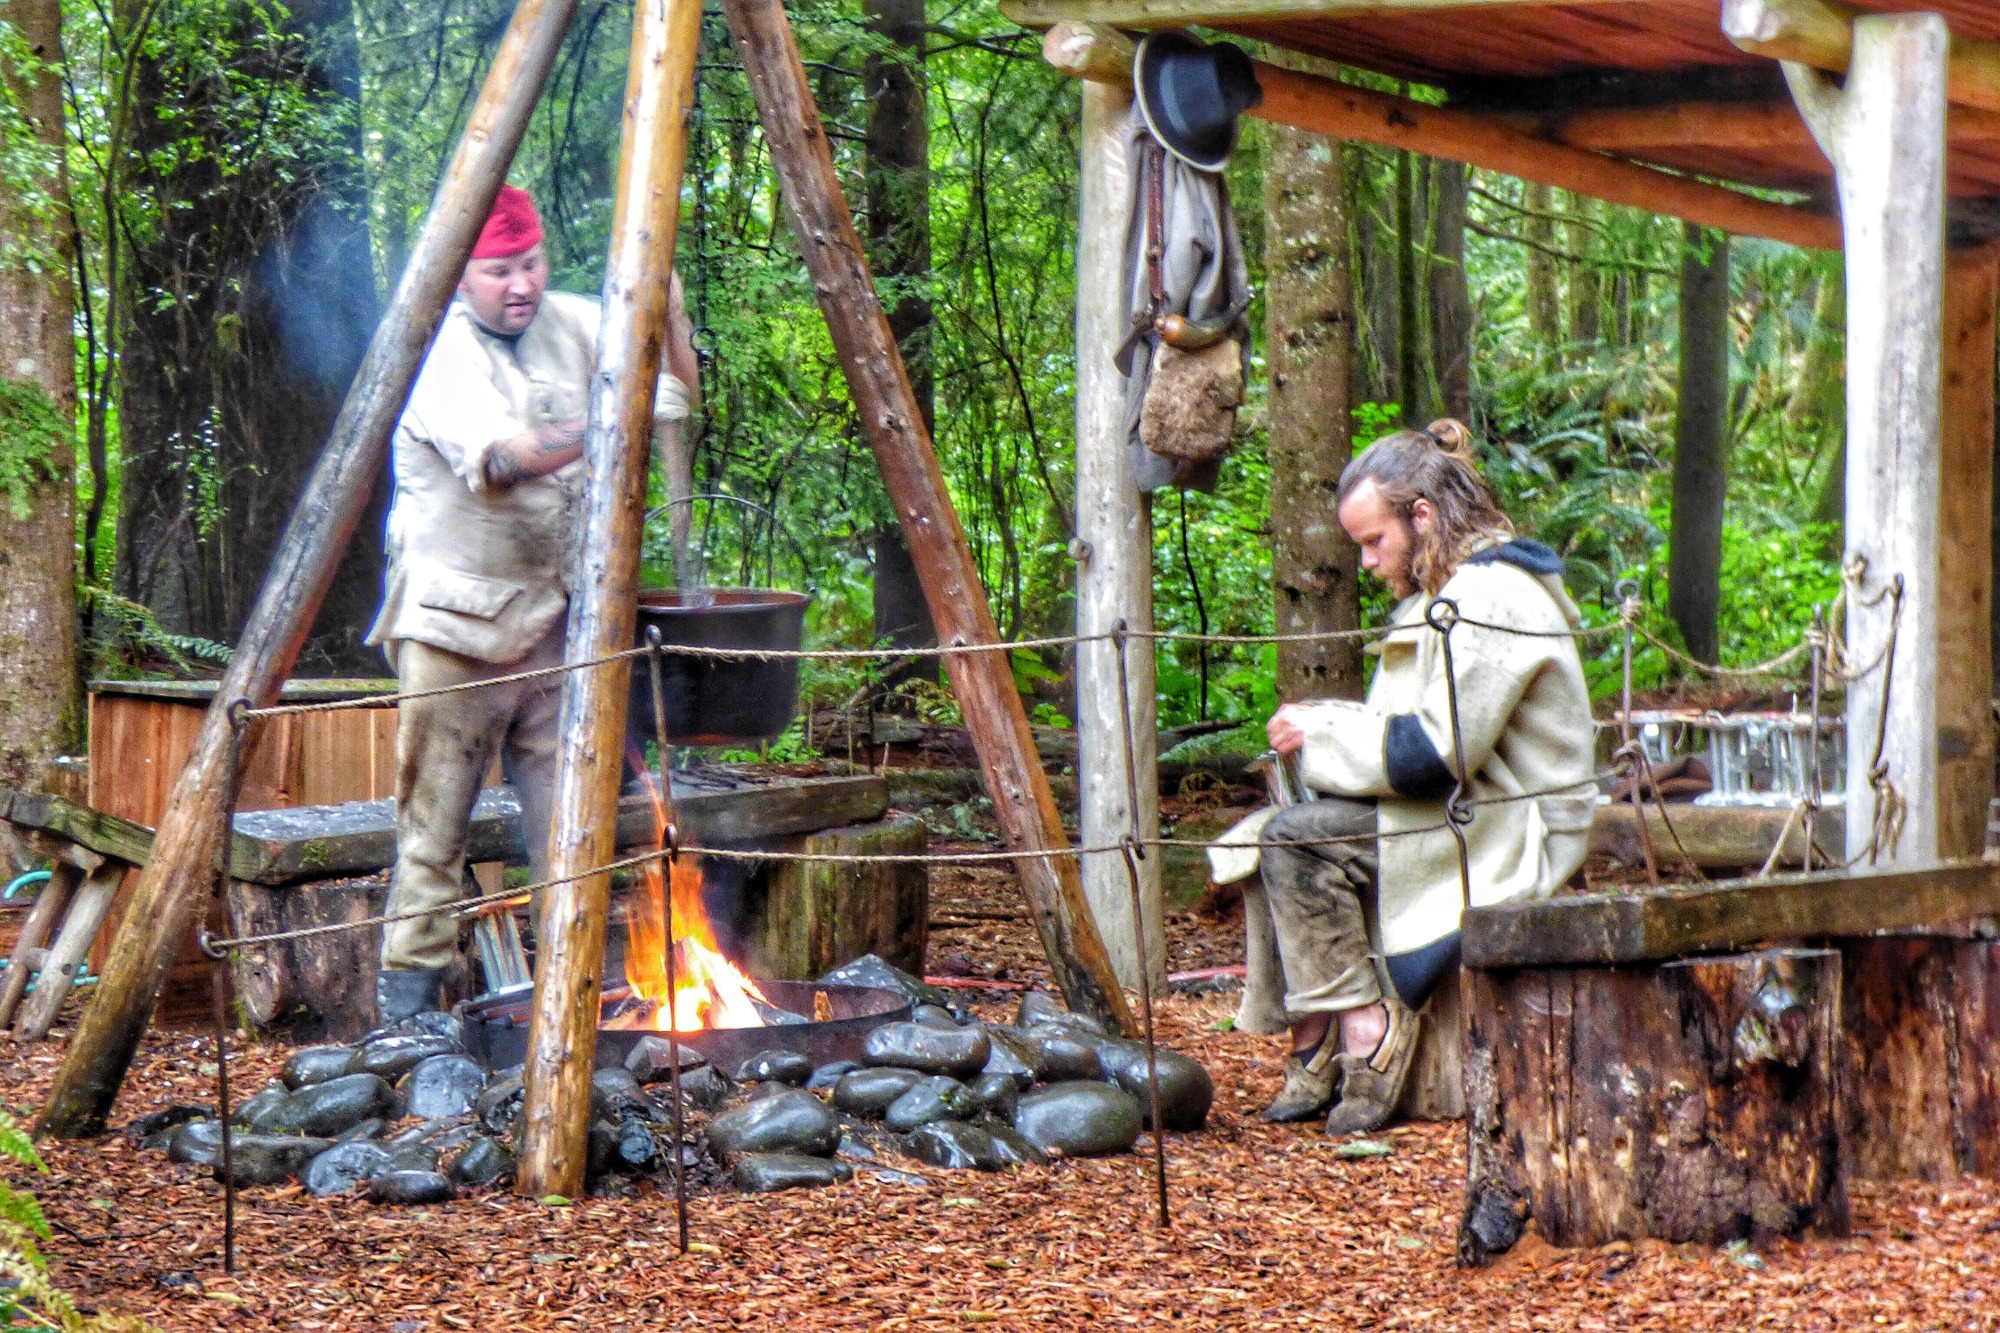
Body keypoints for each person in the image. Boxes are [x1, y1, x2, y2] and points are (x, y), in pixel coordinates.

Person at [366, 184, 701, 1024]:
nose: (520, 284)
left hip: (558, 635)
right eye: (498, 270)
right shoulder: (434, 354)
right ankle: (408, 1025)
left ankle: (572, 1014)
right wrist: (618, 410)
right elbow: (506, 458)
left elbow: (673, 385)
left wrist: (671, 312)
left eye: (531, 263)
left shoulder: (574, 320)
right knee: (433, 843)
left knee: (572, 842)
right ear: (460, 280)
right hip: (455, 638)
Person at [1237, 418, 1596, 1133]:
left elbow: (1434, 755)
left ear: (1422, 514)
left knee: (1295, 839)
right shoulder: (1460, 588)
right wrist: (1324, 722)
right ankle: (1317, 1031)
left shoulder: (1492, 595)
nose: (1368, 561)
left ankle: (1367, 1029)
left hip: (1508, 828)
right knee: (1262, 838)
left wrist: (1323, 733)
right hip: (1470, 810)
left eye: (1375, 540)